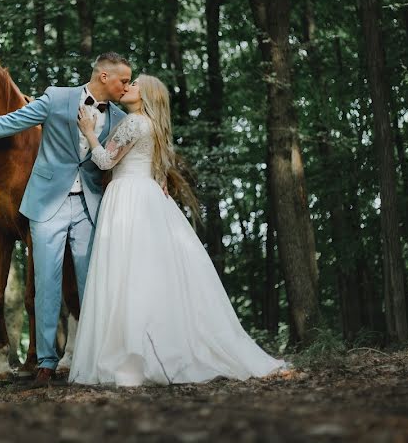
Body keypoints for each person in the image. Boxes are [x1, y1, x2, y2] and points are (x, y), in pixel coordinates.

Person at [68, 74, 288, 386]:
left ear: (145, 97)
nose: (127, 86)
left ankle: (132, 354)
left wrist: (89, 133)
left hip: (127, 197)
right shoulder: (152, 126)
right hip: (146, 196)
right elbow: (157, 171)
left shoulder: (133, 123)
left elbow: (104, 162)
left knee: (127, 275)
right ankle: (151, 347)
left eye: (134, 85)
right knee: (149, 275)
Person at [0, 52, 132, 385]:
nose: (127, 86)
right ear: (105, 77)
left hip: (90, 208)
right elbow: (7, 122)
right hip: (47, 204)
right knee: (46, 285)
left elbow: (124, 158)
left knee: (89, 285)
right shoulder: (57, 98)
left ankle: (90, 357)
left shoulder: (121, 118)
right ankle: (46, 363)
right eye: (124, 80)